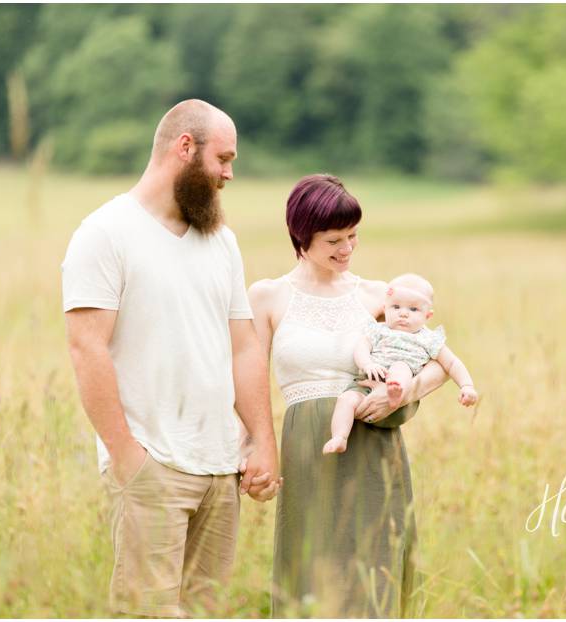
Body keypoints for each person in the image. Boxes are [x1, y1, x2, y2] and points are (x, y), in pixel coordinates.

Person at [61, 99, 282, 617]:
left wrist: (259, 440)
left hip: (221, 470)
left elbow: (244, 346)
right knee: (146, 613)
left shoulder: (221, 241)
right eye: (223, 159)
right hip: (152, 467)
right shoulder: (105, 233)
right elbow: (86, 347)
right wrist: (127, 457)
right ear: (186, 148)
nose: (229, 173)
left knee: (207, 613)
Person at [244, 174, 450, 617]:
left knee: (373, 575)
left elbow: (440, 362)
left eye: (353, 236)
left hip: (374, 446)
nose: (347, 248)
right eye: (334, 239)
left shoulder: (378, 295)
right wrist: (254, 447)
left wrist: (404, 392)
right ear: (301, 236)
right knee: (310, 578)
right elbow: (249, 378)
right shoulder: (268, 296)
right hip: (307, 449)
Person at [325, 273, 478, 454]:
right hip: (367, 383)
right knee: (346, 399)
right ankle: (339, 437)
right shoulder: (378, 330)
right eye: (396, 307)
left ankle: (395, 391)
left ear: (427, 315)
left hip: (400, 396)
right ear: (385, 308)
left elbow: (452, 363)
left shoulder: (428, 339)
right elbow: (361, 348)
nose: (403, 313)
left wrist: (466, 386)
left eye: (413, 310)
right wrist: (367, 364)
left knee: (401, 366)